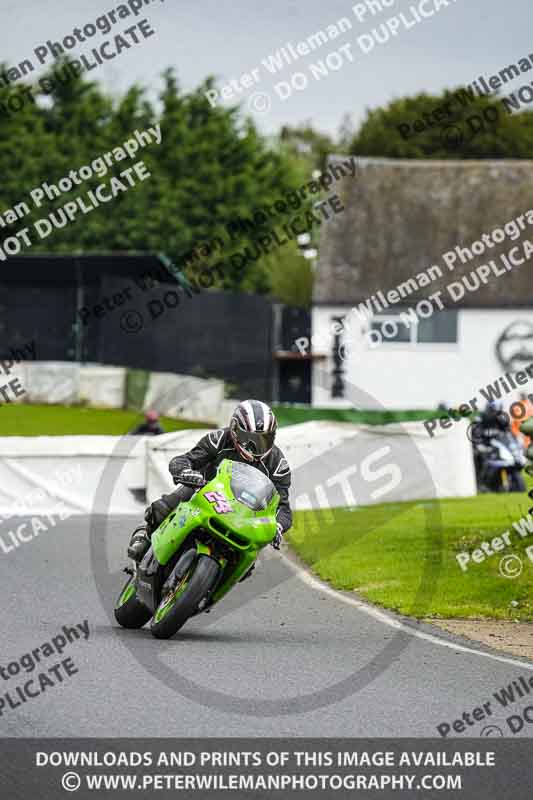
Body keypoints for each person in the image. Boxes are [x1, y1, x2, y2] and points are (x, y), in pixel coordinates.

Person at [128, 400, 292, 563]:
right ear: (235, 429)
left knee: (250, 555)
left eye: (264, 439)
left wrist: (277, 527)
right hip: (204, 489)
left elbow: (283, 506)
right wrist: (186, 472)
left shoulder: (278, 464)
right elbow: (184, 460)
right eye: (248, 438)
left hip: (244, 511)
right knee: (163, 507)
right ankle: (145, 537)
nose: (256, 447)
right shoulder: (219, 439)